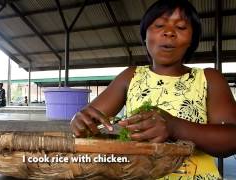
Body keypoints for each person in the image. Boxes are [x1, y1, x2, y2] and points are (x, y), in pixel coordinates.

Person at [70, 0, 236, 179]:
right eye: (159, 25)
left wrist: (175, 127)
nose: (169, 32)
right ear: (145, 36)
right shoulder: (130, 76)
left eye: (180, 27)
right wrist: (79, 121)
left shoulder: (209, 78)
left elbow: (232, 138)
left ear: (192, 41)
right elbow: (90, 122)